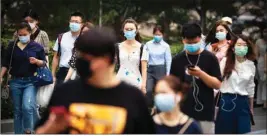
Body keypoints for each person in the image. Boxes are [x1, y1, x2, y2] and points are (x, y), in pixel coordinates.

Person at [34, 27, 155, 134]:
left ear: (107, 59)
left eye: (88, 58)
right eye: (80, 56)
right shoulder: (65, 92)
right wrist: (51, 129)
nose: (81, 62)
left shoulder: (133, 98)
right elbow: (41, 131)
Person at [170, 23, 222, 134]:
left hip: (206, 113)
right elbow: (172, 87)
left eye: (195, 42)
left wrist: (201, 74)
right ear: (183, 40)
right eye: (189, 43)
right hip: (183, 115)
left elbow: (218, 84)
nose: (192, 45)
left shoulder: (210, 58)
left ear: (200, 39)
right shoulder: (177, 60)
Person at [0, 22, 46, 134]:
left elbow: (44, 63)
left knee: (27, 107)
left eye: (24, 34)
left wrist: (37, 61)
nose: (22, 36)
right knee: (17, 111)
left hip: (30, 81)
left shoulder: (37, 47)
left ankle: (28, 131)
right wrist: (1, 76)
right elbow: (5, 63)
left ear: (30, 33)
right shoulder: (12, 46)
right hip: (15, 81)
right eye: (20, 34)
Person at [215, 35, 256, 134]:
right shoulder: (225, 61)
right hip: (226, 101)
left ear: (248, 48)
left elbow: (250, 87)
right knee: (225, 131)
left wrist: (251, 107)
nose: (242, 47)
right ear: (233, 48)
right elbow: (216, 81)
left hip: (243, 102)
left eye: (244, 45)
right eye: (239, 44)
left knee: (244, 131)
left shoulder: (251, 65)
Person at [115, 18, 148, 93]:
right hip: (120, 82)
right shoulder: (117, 47)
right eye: (127, 29)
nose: (129, 31)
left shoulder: (142, 48)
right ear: (123, 30)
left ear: (136, 31)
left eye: (131, 29)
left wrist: (143, 85)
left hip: (136, 83)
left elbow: (144, 69)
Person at [52, 12, 84, 86]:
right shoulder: (61, 37)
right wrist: (53, 75)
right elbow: (56, 57)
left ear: (82, 24)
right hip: (62, 72)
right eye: (72, 21)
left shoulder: (84, 39)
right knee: (59, 96)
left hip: (78, 73)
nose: (74, 24)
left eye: (77, 22)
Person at [143, 25, 172, 108]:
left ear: (162, 35)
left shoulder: (166, 46)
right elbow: (145, 58)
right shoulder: (148, 44)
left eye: (159, 34)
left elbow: (168, 61)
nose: (157, 36)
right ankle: (149, 108)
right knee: (148, 90)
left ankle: (159, 108)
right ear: (153, 34)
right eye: (156, 34)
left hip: (161, 70)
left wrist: (167, 74)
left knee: (160, 91)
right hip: (150, 70)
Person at [255, 28, 267, 109]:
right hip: (261, 61)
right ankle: (261, 101)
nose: (265, 33)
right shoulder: (259, 41)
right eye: (264, 31)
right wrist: (258, 61)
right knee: (262, 81)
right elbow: (256, 53)